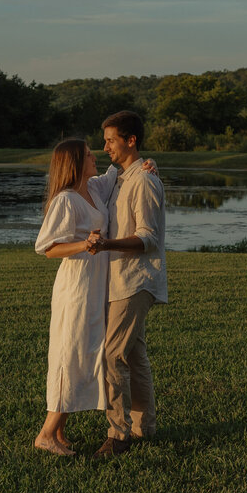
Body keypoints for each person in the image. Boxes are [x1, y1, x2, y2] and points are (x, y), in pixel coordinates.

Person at [87, 110, 167, 459]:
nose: (105, 147)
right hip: (120, 280)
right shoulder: (122, 177)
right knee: (134, 356)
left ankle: (118, 435)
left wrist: (107, 245)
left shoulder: (144, 181)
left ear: (130, 140)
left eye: (110, 140)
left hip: (136, 281)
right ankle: (143, 427)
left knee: (112, 355)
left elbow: (148, 238)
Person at [33, 138, 114, 456]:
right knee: (70, 355)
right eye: (89, 155)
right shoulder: (66, 200)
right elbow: (47, 248)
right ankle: (46, 434)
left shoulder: (93, 189)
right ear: (76, 163)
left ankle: (60, 432)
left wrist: (148, 165)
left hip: (95, 286)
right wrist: (83, 244)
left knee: (82, 353)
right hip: (76, 288)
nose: (95, 157)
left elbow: (115, 175)